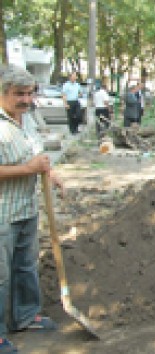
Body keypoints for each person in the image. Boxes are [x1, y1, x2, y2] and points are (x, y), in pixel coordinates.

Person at [0, 64, 63, 353]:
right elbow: (28, 164)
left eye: (29, 93)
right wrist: (27, 168)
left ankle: (25, 316)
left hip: (26, 208)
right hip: (3, 212)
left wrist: (48, 173)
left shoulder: (28, 119)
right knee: (1, 274)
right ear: (3, 93)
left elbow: (37, 154)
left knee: (25, 266)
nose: (26, 99)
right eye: (18, 94)